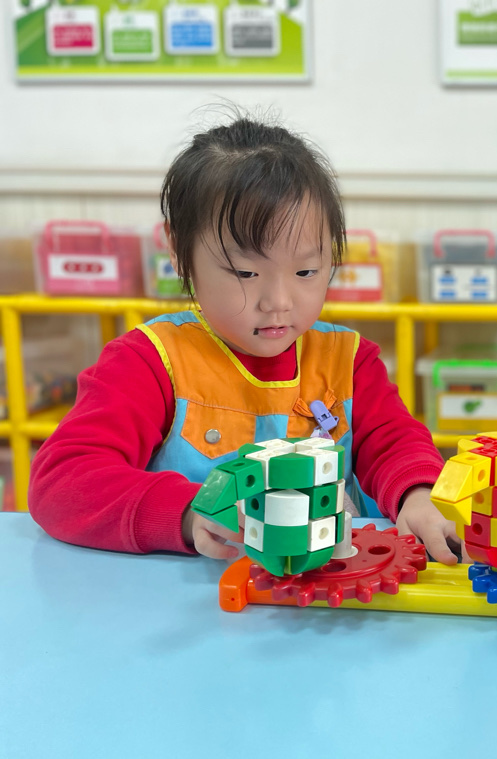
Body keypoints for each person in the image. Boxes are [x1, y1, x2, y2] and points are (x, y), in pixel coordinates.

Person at [29, 115, 461, 564]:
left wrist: (417, 493)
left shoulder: (349, 360)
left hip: (324, 593)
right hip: (194, 593)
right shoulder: (150, 362)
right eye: (245, 273)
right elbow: (63, 481)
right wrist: (186, 512)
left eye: (306, 271)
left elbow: (394, 441)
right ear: (178, 249)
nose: (278, 302)